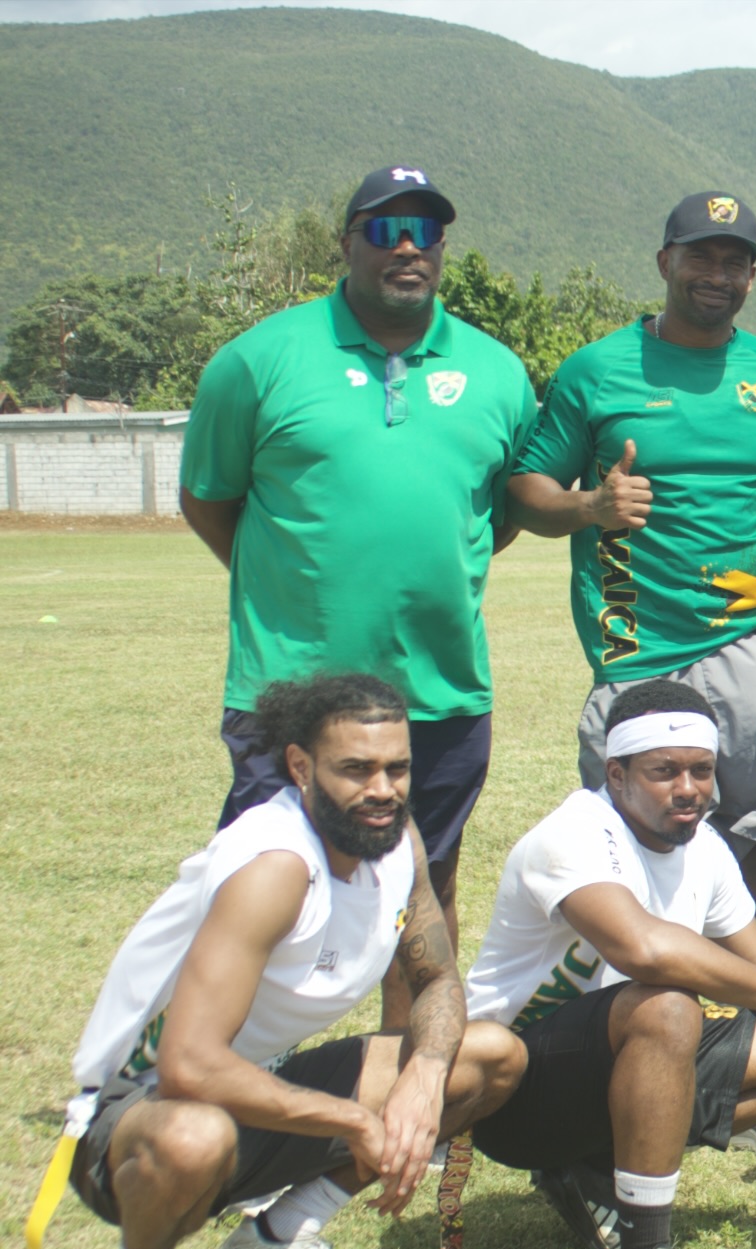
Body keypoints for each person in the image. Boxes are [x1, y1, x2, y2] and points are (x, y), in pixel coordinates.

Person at [52, 675, 524, 1249]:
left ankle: (277, 1236)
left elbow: (437, 980)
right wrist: (356, 1119)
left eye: (396, 768)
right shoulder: (274, 867)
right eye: (355, 769)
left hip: (251, 1088)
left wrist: (425, 1078)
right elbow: (188, 1064)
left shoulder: (395, 840)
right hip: (138, 1115)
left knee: (489, 1056)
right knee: (194, 1136)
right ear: (301, 767)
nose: (383, 789)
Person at [178, 165, 536, 1029]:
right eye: (384, 230)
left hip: (441, 691)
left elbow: (503, 509)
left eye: (426, 231)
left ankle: (407, 1076)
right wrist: (293, 582)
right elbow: (208, 497)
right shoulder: (259, 359)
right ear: (346, 243)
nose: (407, 247)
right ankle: (213, 1078)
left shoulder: (495, 370)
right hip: (293, 688)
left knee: (426, 888)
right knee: (265, 883)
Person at [461, 681, 756, 1249]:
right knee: (666, 1006)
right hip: (511, 1094)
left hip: (610, 1060)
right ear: (618, 773)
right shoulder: (573, 833)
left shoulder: (706, 847)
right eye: (664, 771)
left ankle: (598, 1172)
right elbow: (642, 949)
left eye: (701, 769)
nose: (688, 788)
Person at [507, 192, 756, 960]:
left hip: (752, 644)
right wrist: (589, 505)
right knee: (636, 857)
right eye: (702, 256)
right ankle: (645, 1039)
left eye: (735, 261)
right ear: (664, 262)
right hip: (636, 651)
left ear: (751, 277)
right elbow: (527, 490)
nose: (719, 273)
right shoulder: (595, 371)